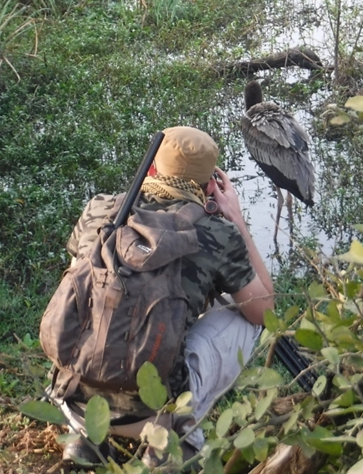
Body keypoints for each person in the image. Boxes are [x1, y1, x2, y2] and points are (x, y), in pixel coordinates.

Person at [47, 126, 274, 471]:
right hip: (151, 414)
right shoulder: (216, 233)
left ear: (152, 169)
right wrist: (237, 219)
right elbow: (266, 312)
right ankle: (175, 441)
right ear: (211, 184)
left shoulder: (100, 209)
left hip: (71, 395)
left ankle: (85, 437)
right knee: (244, 317)